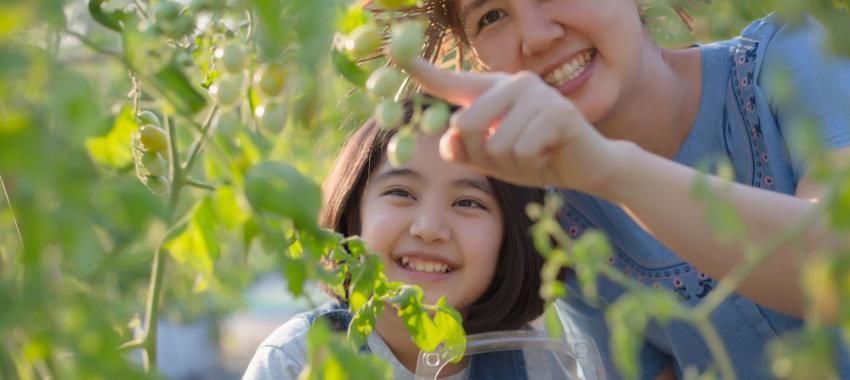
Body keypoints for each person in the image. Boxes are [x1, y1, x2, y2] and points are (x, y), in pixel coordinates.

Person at [397, 0, 850, 378]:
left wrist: (610, 171)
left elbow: (838, 268)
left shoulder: (794, 52)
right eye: (492, 15)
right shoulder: (563, 216)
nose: (536, 36)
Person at [243, 102, 547, 379]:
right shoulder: (292, 362)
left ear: (511, 237)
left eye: (467, 202)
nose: (428, 228)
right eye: (401, 193)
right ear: (353, 218)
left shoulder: (538, 366)